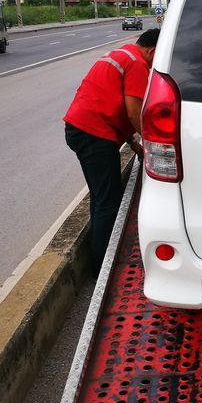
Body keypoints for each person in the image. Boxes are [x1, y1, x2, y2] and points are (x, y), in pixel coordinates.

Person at [64, 28, 159, 272]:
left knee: (100, 197)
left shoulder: (122, 53)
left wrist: (133, 143)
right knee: (108, 201)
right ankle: (102, 268)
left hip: (80, 128)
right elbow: (132, 111)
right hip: (95, 133)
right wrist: (152, 144)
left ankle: (100, 261)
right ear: (152, 51)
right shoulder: (137, 64)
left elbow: (114, 104)